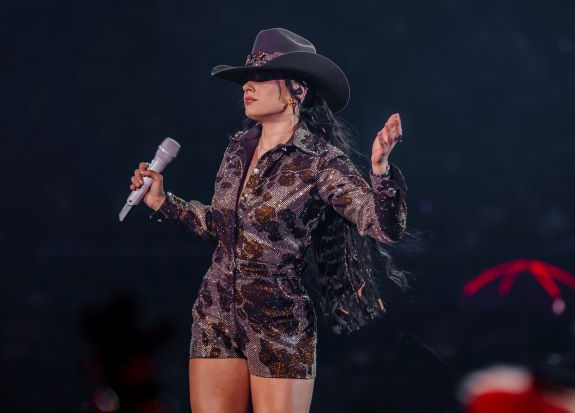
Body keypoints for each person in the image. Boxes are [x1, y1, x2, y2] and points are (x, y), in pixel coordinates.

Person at [128, 28, 411, 413]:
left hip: (278, 323)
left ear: (297, 90)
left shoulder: (320, 161)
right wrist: (163, 202)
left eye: (261, 77)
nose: (248, 85)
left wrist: (380, 170)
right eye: (247, 77)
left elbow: (383, 227)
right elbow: (223, 228)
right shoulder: (237, 148)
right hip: (214, 313)